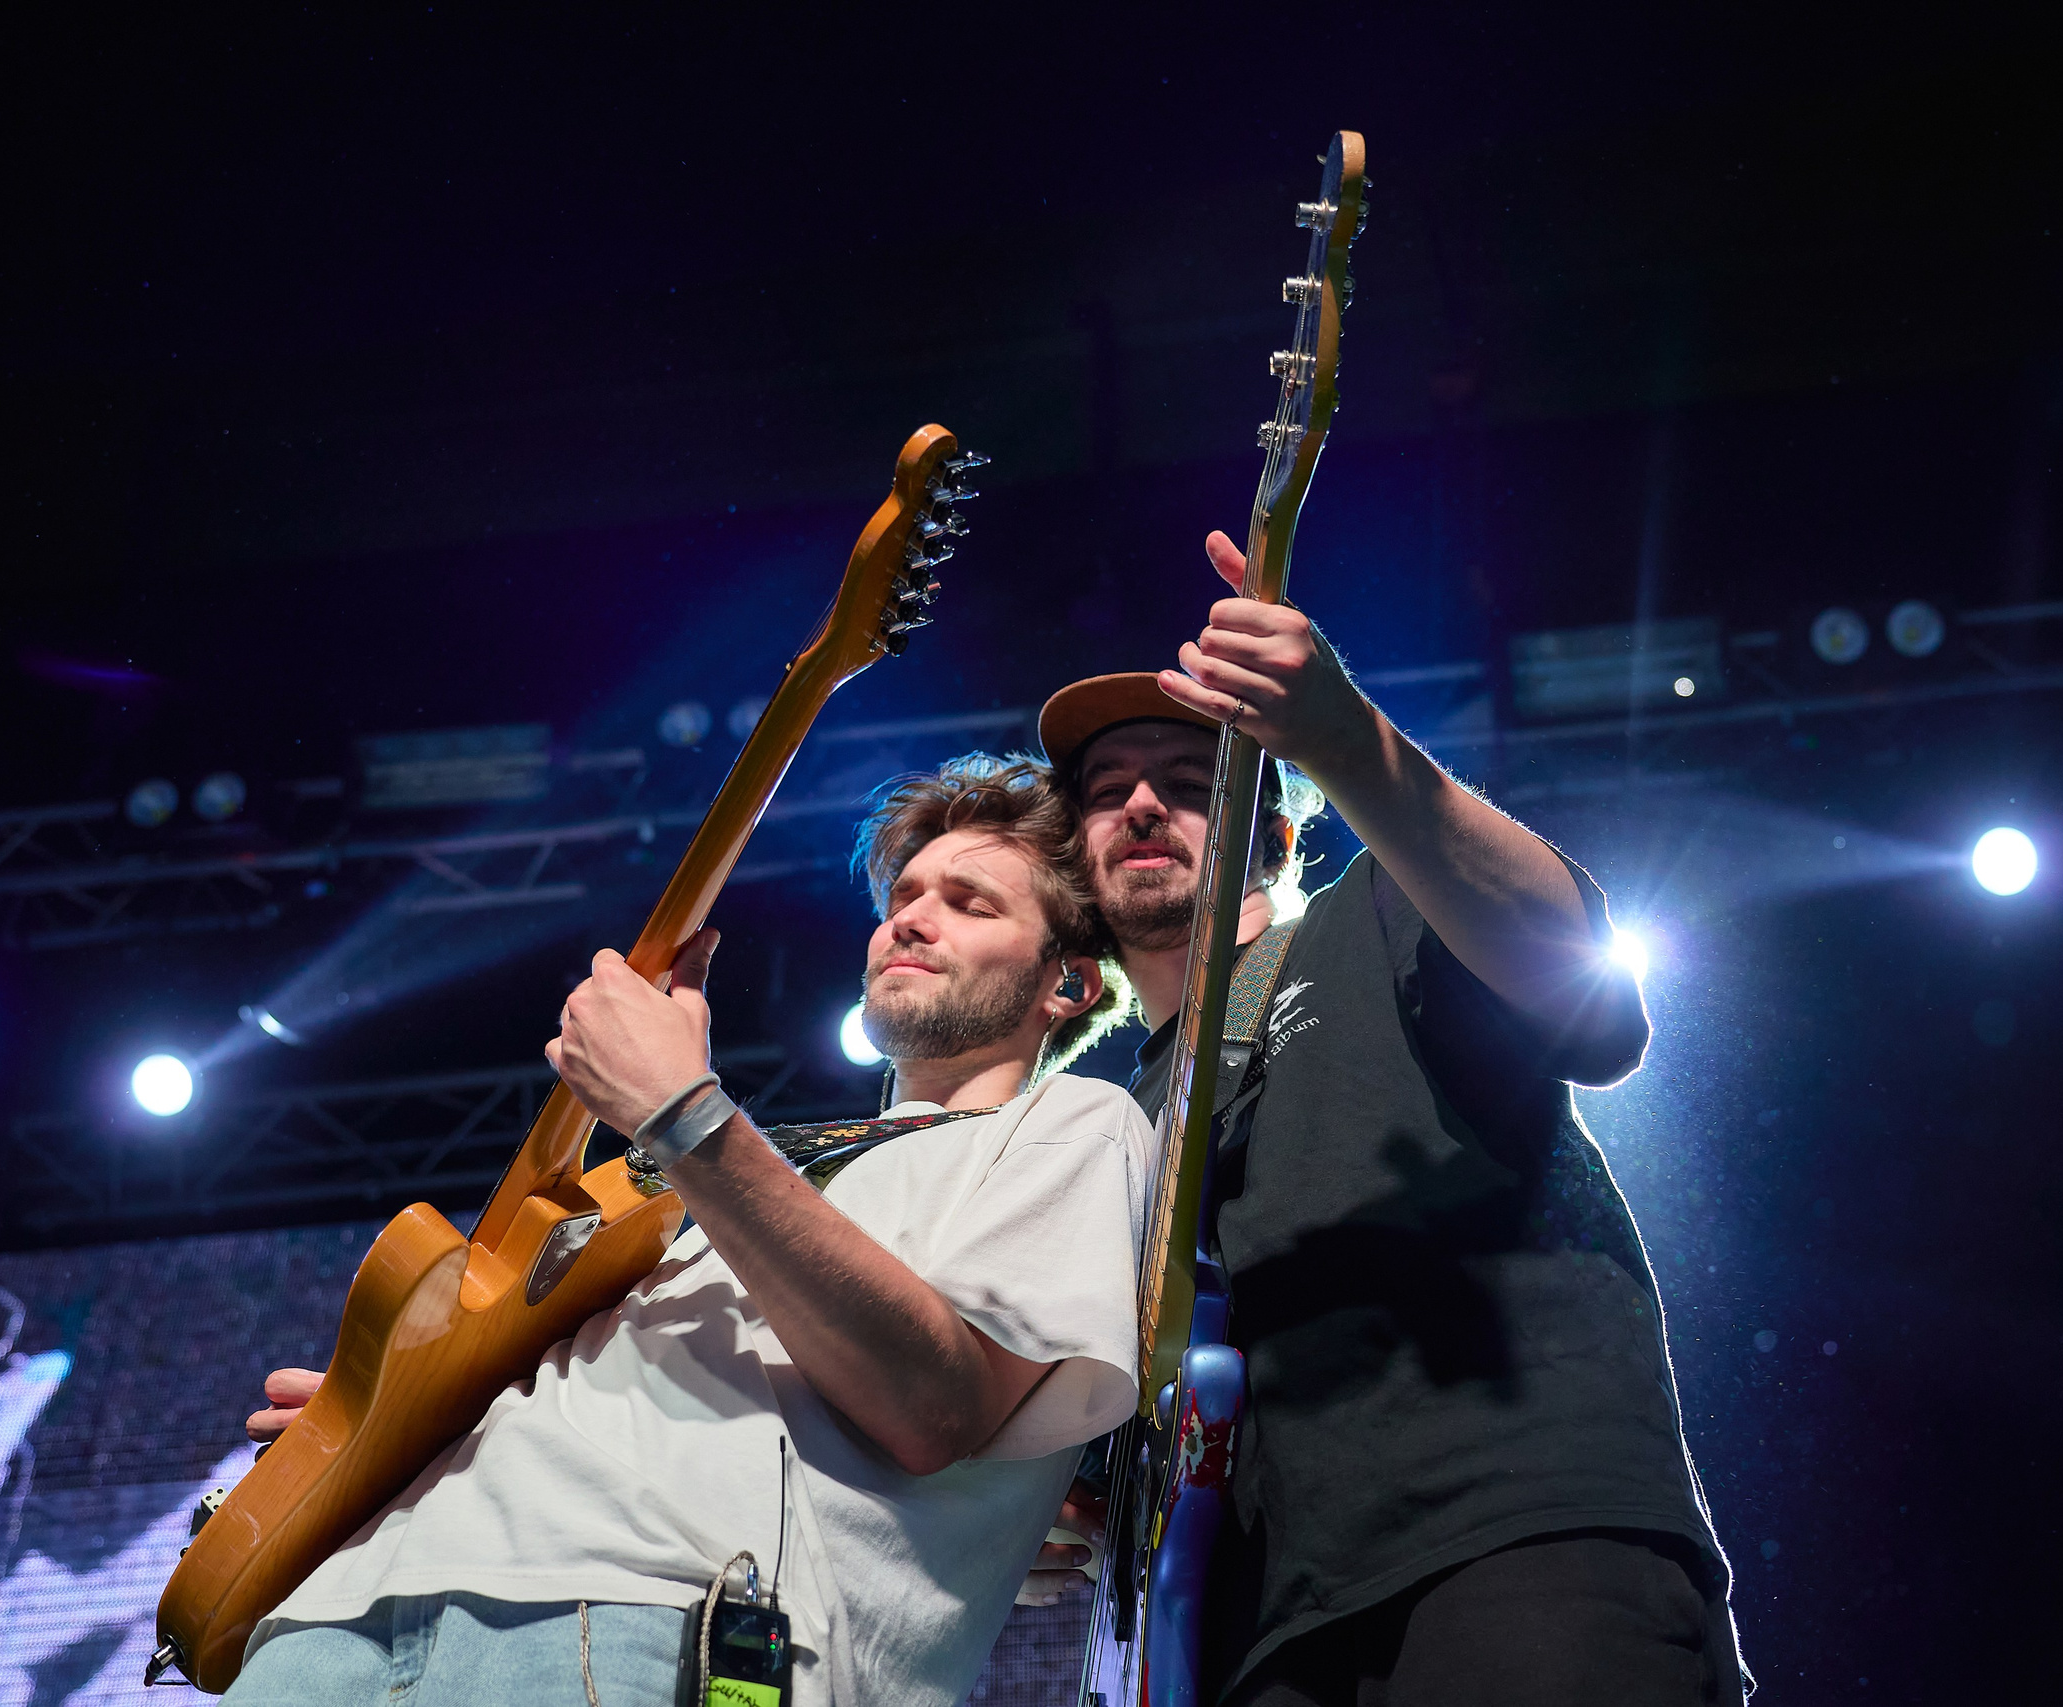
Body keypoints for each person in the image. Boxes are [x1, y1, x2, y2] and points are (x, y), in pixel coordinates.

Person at [224, 757, 1151, 1707]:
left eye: (970, 902)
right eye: (905, 893)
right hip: (345, 1603)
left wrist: (681, 1109)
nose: (908, 918)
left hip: (639, 1613)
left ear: (1069, 985)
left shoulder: (1075, 1124)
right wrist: (404, 1415)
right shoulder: (741, 1173)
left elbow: (934, 1407)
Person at [1037, 529, 1749, 1705]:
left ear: (1274, 829)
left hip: (1509, 1541)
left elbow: (1599, 1012)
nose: (1143, 806)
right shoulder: (1115, 1121)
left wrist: (1339, 736)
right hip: (1252, 1632)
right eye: (1107, 795)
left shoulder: (1376, 908)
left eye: (1188, 778)